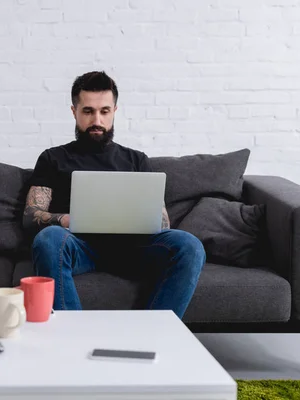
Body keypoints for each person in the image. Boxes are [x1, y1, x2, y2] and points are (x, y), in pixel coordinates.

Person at [22, 71, 205, 320]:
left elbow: (163, 222)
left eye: (104, 111)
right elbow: (30, 215)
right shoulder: (52, 158)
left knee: (190, 246)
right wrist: (66, 219)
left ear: (114, 111)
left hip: (133, 248)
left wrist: (145, 220)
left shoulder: (136, 160)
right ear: (74, 111)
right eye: (88, 111)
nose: (97, 119)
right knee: (48, 239)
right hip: (78, 247)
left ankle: (153, 335)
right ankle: (71, 337)